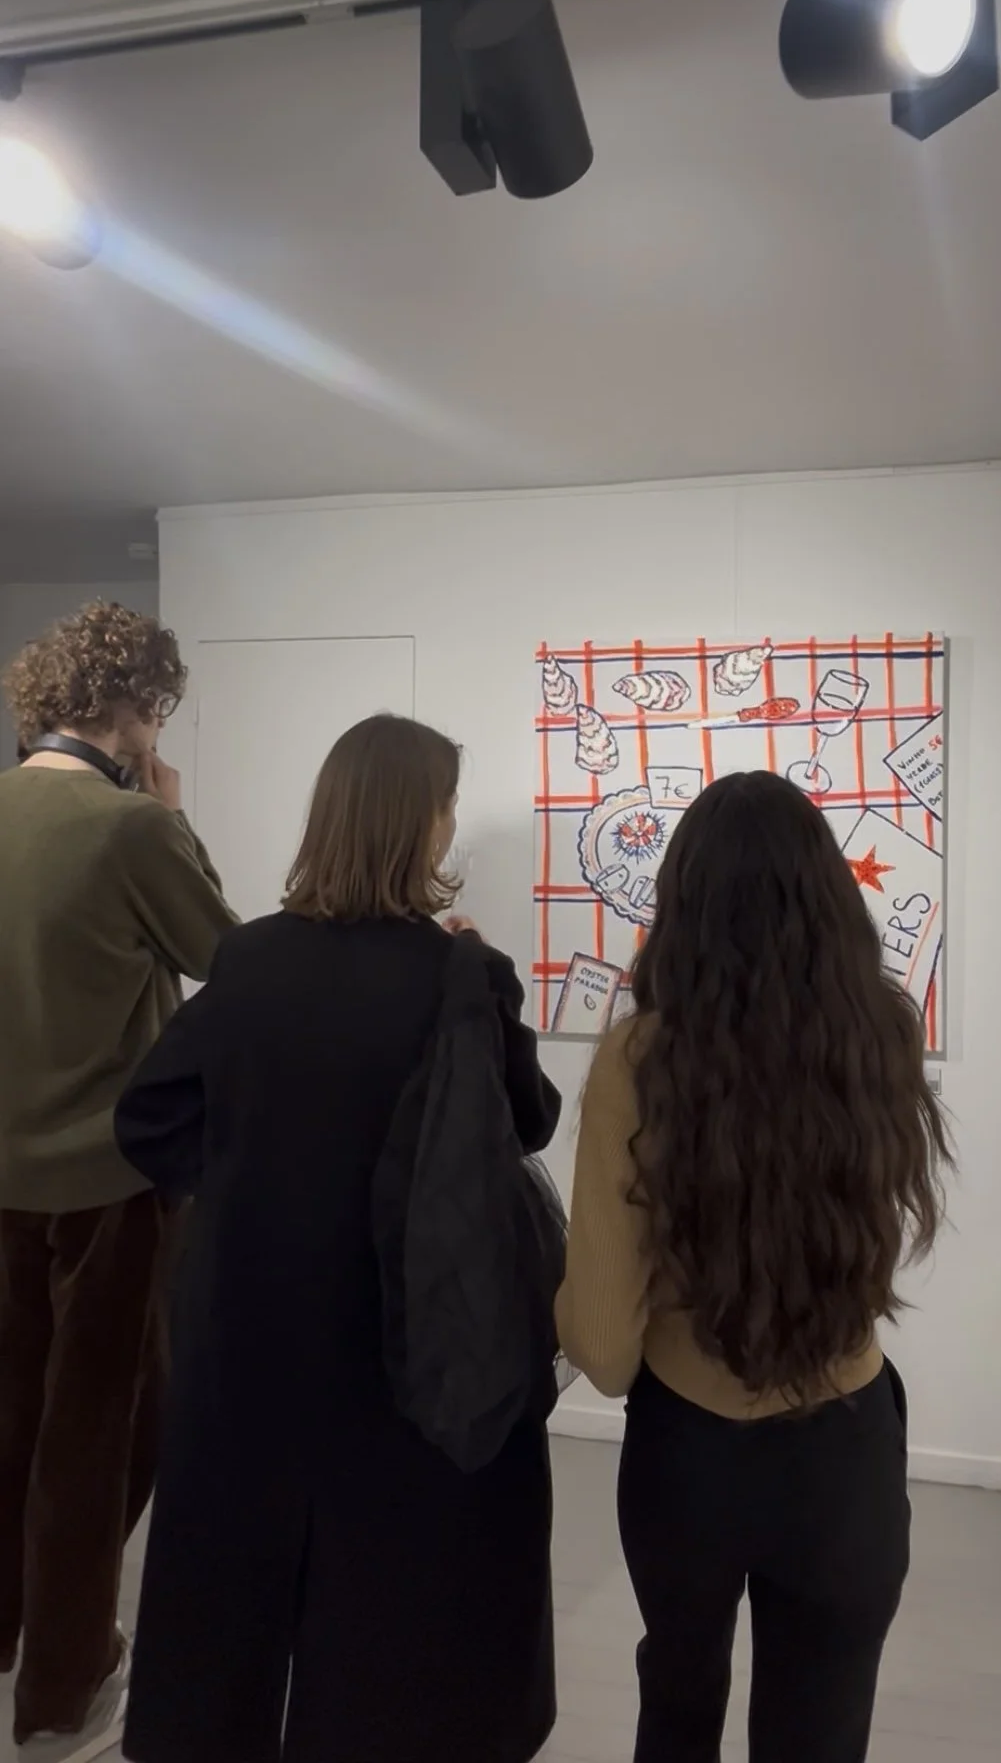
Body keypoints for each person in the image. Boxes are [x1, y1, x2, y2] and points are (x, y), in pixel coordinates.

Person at [114, 713, 562, 1763]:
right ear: (421, 822)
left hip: (254, 1318)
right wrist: (488, 988)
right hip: (404, 1320)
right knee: (398, 1575)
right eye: (447, 804)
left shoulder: (251, 958)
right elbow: (528, 1120)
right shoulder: (459, 974)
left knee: (236, 1562)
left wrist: (240, 1183)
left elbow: (149, 1120)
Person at [557, 771, 953, 1763]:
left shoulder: (640, 1058)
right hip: (846, 1451)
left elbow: (603, 1350)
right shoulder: (880, 1036)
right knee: (820, 1730)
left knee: (678, 1706)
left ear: (683, 901)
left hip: (689, 1451)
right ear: (828, 896)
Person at [0, 599, 237, 1756]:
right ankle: (64, 1681)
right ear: (139, 703)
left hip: (2, 1170)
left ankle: (11, 1630)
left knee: (11, 1415)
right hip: (110, 1174)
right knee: (102, 1432)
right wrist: (176, 817)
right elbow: (230, 960)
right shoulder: (132, 824)